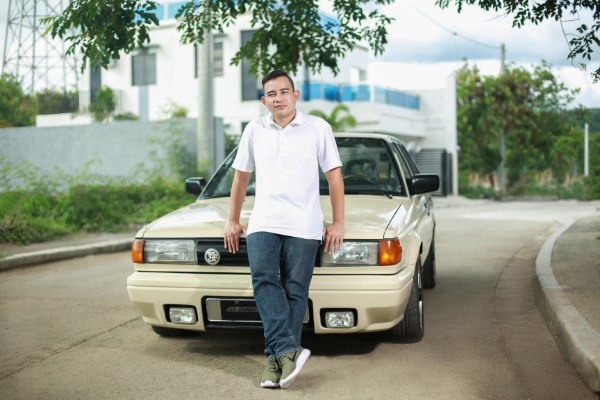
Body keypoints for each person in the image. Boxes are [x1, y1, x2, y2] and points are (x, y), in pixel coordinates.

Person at [223, 70, 345, 389]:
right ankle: (287, 350)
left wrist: (338, 222)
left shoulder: (318, 127)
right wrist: (233, 219)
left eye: (284, 91)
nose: (278, 98)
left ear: (296, 95)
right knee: (264, 280)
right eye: (271, 94)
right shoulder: (254, 129)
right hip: (263, 220)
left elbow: (334, 176)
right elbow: (240, 178)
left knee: (294, 289)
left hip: (304, 222)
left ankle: (278, 363)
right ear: (264, 101)